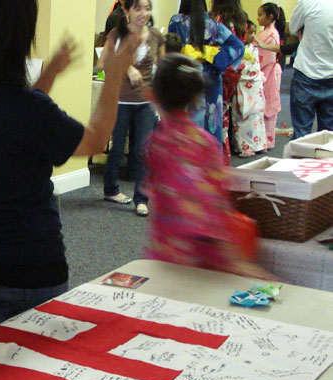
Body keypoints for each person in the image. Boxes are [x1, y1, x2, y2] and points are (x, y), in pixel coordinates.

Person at [0, 0, 135, 334]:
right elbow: (94, 141)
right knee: (31, 376)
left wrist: (48, 72)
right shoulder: (28, 110)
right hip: (31, 271)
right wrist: (115, 74)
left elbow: (14, 125)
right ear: (17, 40)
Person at [145, 54, 268, 278]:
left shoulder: (155, 143)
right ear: (196, 96)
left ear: (152, 95)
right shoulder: (205, 144)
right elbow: (212, 206)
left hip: (164, 251)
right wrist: (235, 260)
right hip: (200, 258)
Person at [98, 0, 164, 217]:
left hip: (145, 103)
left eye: (147, 8)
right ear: (126, 12)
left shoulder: (155, 35)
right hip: (120, 101)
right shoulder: (117, 34)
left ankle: (141, 199)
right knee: (117, 148)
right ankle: (110, 189)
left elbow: (163, 66)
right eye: (138, 9)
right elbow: (104, 63)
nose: (144, 13)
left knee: (144, 150)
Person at [168, 0, 244, 150]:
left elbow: (171, 48)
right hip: (211, 78)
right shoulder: (213, 25)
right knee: (212, 124)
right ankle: (212, 165)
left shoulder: (176, 21)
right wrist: (217, 61)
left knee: (187, 123)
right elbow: (238, 46)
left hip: (186, 77)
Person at [287, 0, 333, 139]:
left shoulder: (307, 3)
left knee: (301, 134)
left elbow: (293, 29)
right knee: (328, 136)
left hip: (306, 73)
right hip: (331, 74)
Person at [210, 0, 247, 163]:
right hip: (236, 69)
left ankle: (220, 157)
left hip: (222, 69)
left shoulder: (219, 21)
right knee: (225, 111)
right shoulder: (240, 20)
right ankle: (224, 155)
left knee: (217, 114)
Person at [230, 20, 266, 157]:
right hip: (242, 86)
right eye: (249, 32)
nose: (252, 36)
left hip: (253, 86)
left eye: (253, 33)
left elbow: (254, 68)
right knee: (241, 118)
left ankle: (258, 144)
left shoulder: (253, 49)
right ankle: (243, 146)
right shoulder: (239, 49)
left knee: (255, 117)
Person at [253, 3, 284, 149]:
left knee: (268, 105)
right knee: (261, 104)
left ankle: (268, 140)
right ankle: (261, 138)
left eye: (260, 15)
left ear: (270, 17)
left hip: (269, 71)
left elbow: (266, 56)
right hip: (264, 71)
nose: (258, 18)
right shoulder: (264, 31)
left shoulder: (272, 34)